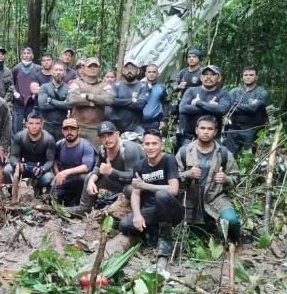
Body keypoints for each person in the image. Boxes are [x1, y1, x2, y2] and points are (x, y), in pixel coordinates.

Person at [118, 131, 184, 273]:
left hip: (172, 210)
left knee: (162, 195)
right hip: (152, 210)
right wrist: (136, 215)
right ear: (143, 146)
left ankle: (165, 241)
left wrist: (146, 186)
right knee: (125, 224)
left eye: (154, 143)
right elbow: (135, 194)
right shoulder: (139, 165)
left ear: (161, 145)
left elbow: (174, 189)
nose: (150, 147)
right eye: (147, 144)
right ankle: (153, 235)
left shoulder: (168, 160)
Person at [176, 116, 241, 243]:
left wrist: (226, 179)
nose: (205, 132)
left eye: (210, 129)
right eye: (202, 128)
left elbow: (236, 177)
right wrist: (187, 174)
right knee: (197, 239)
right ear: (196, 130)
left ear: (215, 132)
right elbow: (173, 178)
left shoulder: (224, 153)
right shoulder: (184, 151)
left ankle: (234, 242)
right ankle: (209, 225)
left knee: (232, 221)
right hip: (191, 201)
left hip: (216, 198)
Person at [69, 121, 144, 217]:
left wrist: (112, 172)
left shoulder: (128, 149)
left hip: (139, 184)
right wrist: (91, 181)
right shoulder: (103, 149)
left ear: (117, 134)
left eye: (109, 134)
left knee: (129, 189)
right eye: (102, 136)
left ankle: (141, 211)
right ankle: (84, 208)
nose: (106, 139)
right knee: (90, 177)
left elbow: (133, 176)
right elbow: (97, 167)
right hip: (119, 181)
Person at [177, 65, 232, 149]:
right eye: (205, 74)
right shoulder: (191, 91)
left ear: (219, 78)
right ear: (201, 78)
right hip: (190, 138)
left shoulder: (224, 94)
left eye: (213, 74)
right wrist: (210, 107)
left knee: (216, 161)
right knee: (185, 160)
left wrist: (198, 102)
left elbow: (222, 110)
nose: (209, 77)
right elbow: (182, 109)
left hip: (213, 138)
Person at [67, 57, 113, 150]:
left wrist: (89, 96)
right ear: (84, 69)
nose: (93, 68)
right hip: (77, 128)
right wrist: (95, 102)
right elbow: (72, 99)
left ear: (99, 69)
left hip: (96, 130)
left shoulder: (105, 85)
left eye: (95, 66)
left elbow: (108, 100)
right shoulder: (76, 83)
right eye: (90, 66)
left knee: (95, 158)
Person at [4, 112, 56, 196]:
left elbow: (50, 161)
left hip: (39, 169)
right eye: (31, 123)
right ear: (26, 124)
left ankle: (38, 189)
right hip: (22, 167)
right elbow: (13, 155)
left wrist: (43, 169)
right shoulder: (19, 136)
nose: (34, 127)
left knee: (49, 177)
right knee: (7, 170)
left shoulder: (49, 139)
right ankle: (11, 191)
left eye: (37, 123)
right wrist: (17, 164)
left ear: (42, 124)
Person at [49, 118, 95, 207]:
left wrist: (67, 172)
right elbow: (53, 159)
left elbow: (87, 166)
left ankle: (81, 202)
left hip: (80, 181)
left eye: (73, 129)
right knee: (52, 198)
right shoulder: (60, 144)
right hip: (65, 179)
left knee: (82, 178)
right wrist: (57, 173)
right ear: (62, 131)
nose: (69, 132)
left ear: (78, 130)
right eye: (66, 129)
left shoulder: (85, 146)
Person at [224, 67, 268, 155]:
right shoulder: (235, 91)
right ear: (242, 77)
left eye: (251, 75)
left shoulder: (261, 92)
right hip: (233, 129)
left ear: (257, 77)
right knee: (230, 157)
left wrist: (236, 106)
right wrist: (246, 107)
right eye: (246, 75)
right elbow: (228, 106)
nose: (248, 77)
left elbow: (253, 109)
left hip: (252, 130)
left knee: (249, 157)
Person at [107, 60, 148, 136]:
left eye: (132, 68)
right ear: (122, 71)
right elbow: (112, 101)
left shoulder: (142, 86)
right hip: (117, 128)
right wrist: (132, 100)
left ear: (137, 71)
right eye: (126, 68)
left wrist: (119, 103)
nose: (129, 71)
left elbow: (140, 104)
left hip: (135, 127)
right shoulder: (116, 85)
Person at [9, 47, 42, 138]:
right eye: (24, 53)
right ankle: (15, 150)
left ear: (32, 55)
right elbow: (11, 83)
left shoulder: (38, 68)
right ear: (21, 56)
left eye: (28, 53)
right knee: (16, 128)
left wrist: (36, 94)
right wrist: (15, 94)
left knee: (33, 128)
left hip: (33, 103)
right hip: (18, 103)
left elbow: (41, 82)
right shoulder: (16, 68)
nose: (26, 55)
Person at [37, 61, 72, 128]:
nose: (58, 72)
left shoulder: (68, 88)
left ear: (64, 73)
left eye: (61, 70)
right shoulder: (44, 87)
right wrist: (62, 104)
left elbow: (69, 105)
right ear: (51, 72)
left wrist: (51, 101)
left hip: (63, 126)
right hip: (47, 125)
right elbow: (43, 105)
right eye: (56, 70)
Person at [141, 64, 170, 133]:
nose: (151, 74)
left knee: (152, 142)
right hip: (138, 122)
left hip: (154, 122)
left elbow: (165, 104)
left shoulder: (161, 88)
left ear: (158, 74)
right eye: (149, 72)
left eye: (154, 72)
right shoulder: (139, 86)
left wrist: (164, 120)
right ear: (145, 73)